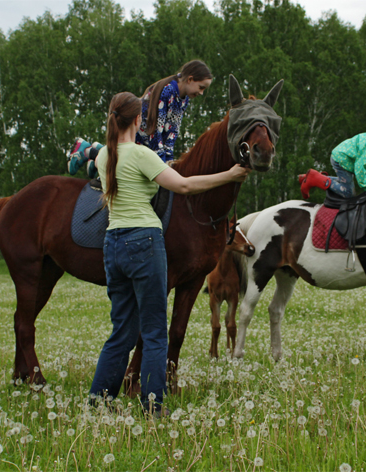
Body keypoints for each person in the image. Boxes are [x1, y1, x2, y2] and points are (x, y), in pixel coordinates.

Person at [89, 91, 251, 415]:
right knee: (153, 330)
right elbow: (185, 186)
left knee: (121, 329)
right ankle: (154, 404)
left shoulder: (103, 158)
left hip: (112, 244)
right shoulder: (141, 156)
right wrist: (231, 175)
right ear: (137, 120)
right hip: (144, 242)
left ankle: (99, 401)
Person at [68, 60, 213, 178]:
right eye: (201, 87)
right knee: (127, 166)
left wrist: (170, 158)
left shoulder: (184, 100)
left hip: (152, 141)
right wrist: (162, 161)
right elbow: (156, 128)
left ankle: (96, 156)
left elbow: (173, 130)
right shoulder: (167, 91)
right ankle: (87, 151)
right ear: (190, 79)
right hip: (141, 134)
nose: (201, 93)